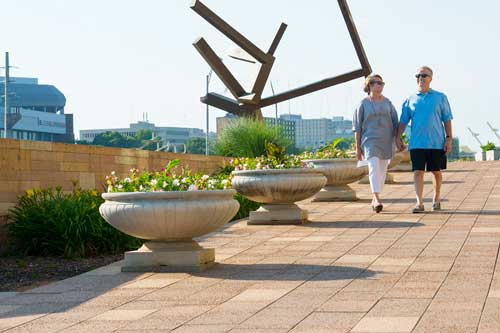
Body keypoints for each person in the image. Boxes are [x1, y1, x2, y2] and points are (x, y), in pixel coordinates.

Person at [396, 66, 453, 213]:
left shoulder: (440, 97)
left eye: (424, 76)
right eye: (418, 76)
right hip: (417, 143)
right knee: (418, 172)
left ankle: (436, 199)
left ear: (431, 78)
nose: (420, 78)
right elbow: (403, 121)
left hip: (436, 143)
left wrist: (448, 139)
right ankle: (419, 203)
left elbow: (447, 119)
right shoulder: (410, 99)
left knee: (436, 171)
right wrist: (398, 137)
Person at [353, 74, 399, 213]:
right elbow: (357, 127)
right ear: (369, 85)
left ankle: (375, 199)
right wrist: (358, 148)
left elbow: (396, 122)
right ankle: (377, 197)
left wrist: (398, 139)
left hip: (386, 140)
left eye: (381, 83)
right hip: (369, 141)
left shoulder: (388, 103)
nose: (379, 85)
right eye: (376, 83)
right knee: (373, 167)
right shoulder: (363, 104)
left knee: (382, 170)